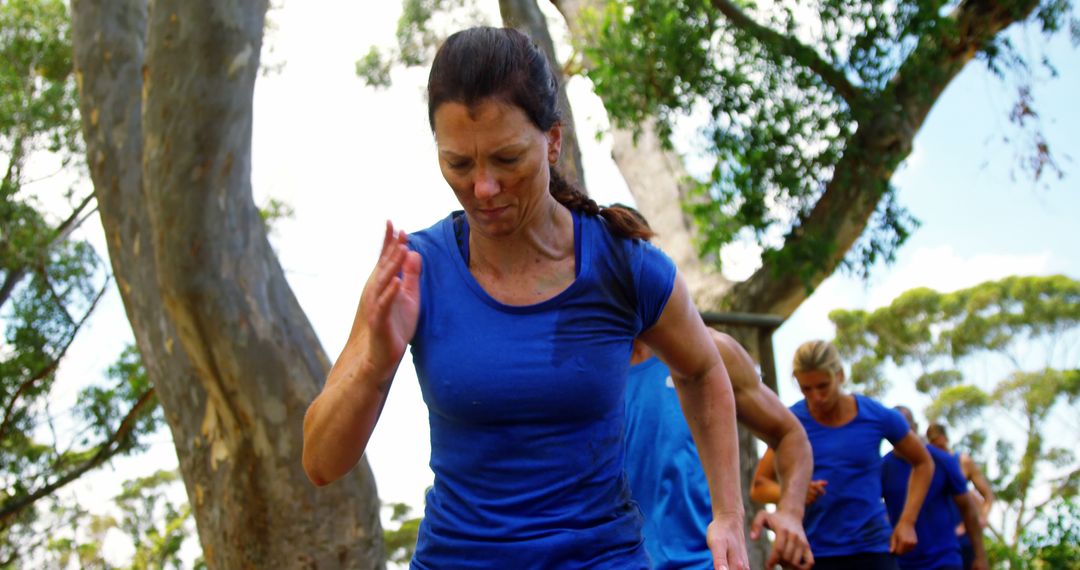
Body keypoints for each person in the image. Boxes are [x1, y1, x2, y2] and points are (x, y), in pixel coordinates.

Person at [301, 26, 749, 570]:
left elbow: (702, 371)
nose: (483, 188)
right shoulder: (416, 271)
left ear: (553, 140)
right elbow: (321, 462)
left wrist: (727, 514)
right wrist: (376, 360)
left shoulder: (625, 268)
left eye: (507, 159)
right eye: (459, 164)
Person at [624, 328, 815, 570]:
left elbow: (790, 434)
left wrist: (790, 513)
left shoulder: (707, 348)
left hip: (708, 563)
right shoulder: (576, 366)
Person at [751, 340, 935, 570]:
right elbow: (759, 486)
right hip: (812, 552)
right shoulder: (792, 423)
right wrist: (794, 492)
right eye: (806, 389)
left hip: (872, 549)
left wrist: (907, 522)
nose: (816, 396)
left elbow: (923, 462)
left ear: (840, 376)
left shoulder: (876, 416)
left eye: (823, 386)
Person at [882, 407, 989, 570]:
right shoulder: (882, 468)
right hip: (904, 563)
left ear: (915, 427)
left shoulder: (944, 461)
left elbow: (967, 509)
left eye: (905, 427)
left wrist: (980, 556)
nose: (900, 435)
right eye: (894, 430)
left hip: (944, 559)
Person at [926, 423, 995, 570]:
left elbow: (988, 496)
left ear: (945, 439)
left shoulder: (962, 461)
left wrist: (982, 518)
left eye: (940, 443)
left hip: (967, 537)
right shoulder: (929, 465)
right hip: (942, 539)